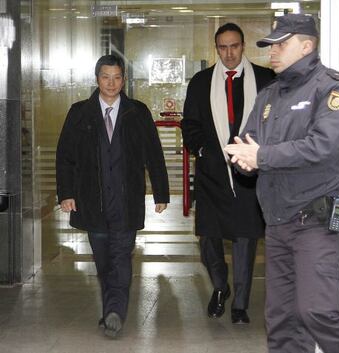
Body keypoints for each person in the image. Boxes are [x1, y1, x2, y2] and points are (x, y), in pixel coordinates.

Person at [225, 14, 339, 353]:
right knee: (282, 319)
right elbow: (252, 145)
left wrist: (261, 156)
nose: (272, 51)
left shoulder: (334, 89)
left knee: (317, 310)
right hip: (277, 221)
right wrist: (245, 160)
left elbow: (323, 147)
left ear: (307, 45)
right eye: (271, 45)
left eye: (281, 44)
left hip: (317, 219)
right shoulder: (269, 96)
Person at [56, 54, 169, 338]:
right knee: (104, 261)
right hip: (93, 202)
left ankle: (115, 312)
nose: (111, 83)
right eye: (106, 77)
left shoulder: (137, 112)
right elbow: (65, 157)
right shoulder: (79, 112)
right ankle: (111, 310)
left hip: (126, 201)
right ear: (97, 79)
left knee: (121, 258)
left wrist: (161, 192)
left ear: (124, 80)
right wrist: (66, 193)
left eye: (117, 77)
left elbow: (153, 154)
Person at [181, 23, 275, 324]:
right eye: (223, 47)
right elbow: (190, 124)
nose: (229, 52)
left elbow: (275, 123)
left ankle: (241, 305)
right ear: (216, 48)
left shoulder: (265, 79)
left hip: (249, 173)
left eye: (234, 46)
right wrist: (202, 151)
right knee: (208, 236)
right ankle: (220, 287)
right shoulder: (201, 81)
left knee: (246, 238)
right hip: (212, 172)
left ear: (243, 45)